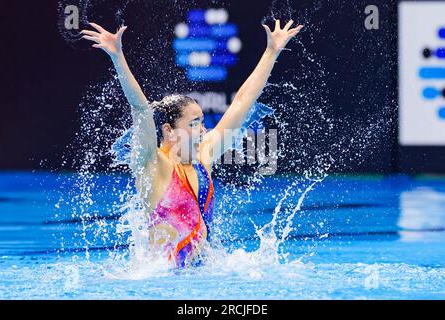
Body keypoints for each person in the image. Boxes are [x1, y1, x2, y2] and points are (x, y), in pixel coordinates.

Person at [81, 18, 303, 267]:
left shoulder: (203, 156)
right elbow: (140, 108)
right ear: (169, 131)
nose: (202, 130)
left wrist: (271, 52)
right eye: (194, 123)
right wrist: (117, 57)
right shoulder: (153, 164)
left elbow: (242, 101)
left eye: (202, 122)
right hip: (163, 283)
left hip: (202, 276)